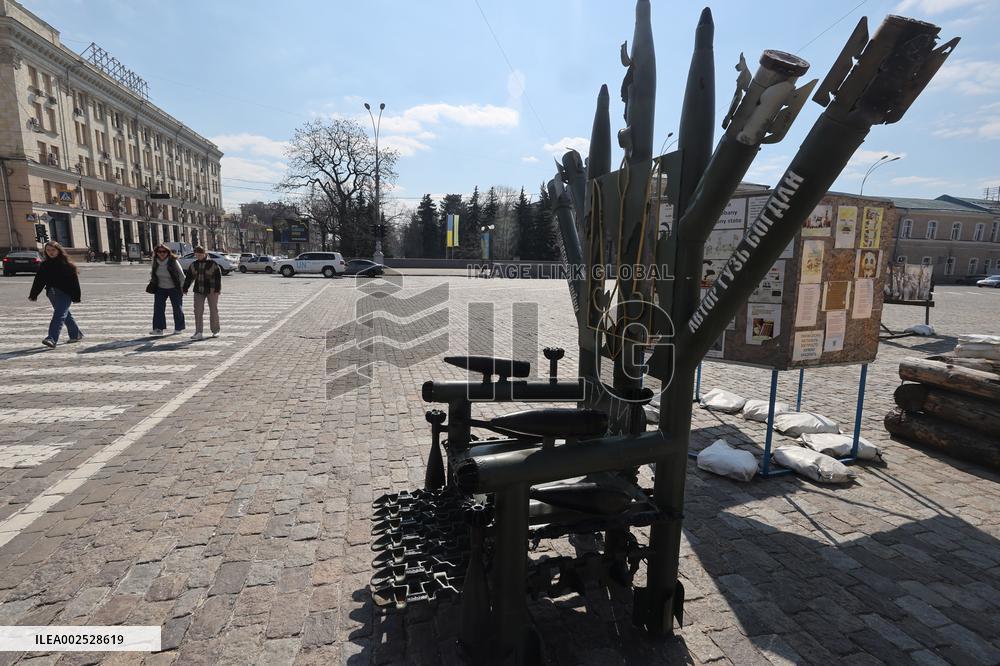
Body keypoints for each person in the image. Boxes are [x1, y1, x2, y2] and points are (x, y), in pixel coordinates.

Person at [28, 241, 83, 348]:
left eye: (53, 250)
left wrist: (76, 297)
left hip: (65, 294)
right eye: (48, 250)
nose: (51, 252)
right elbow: (39, 281)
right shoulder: (44, 265)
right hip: (51, 293)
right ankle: (76, 334)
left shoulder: (67, 265)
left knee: (59, 315)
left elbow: (74, 282)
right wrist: (33, 294)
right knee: (65, 314)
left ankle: (52, 338)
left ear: (58, 250)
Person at [182, 246, 222, 340]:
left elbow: (218, 277)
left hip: (212, 289)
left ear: (205, 254)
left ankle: (215, 330)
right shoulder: (194, 264)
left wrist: (217, 289)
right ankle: (198, 332)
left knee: (213, 309)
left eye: (200, 254)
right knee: (198, 310)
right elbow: (189, 277)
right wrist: (185, 288)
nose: (198, 256)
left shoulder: (212, 263)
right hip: (198, 289)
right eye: (196, 255)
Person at [149, 243, 185, 335]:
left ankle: (178, 328)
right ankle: (158, 329)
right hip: (160, 288)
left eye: (164, 251)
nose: (162, 253)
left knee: (177, 308)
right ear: (156, 252)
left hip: (174, 288)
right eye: (159, 251)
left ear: (168, 252)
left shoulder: (173, 261)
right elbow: (153, 273)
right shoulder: (155, 261)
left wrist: (182, 287)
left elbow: (181, 275)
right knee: (158, 308)